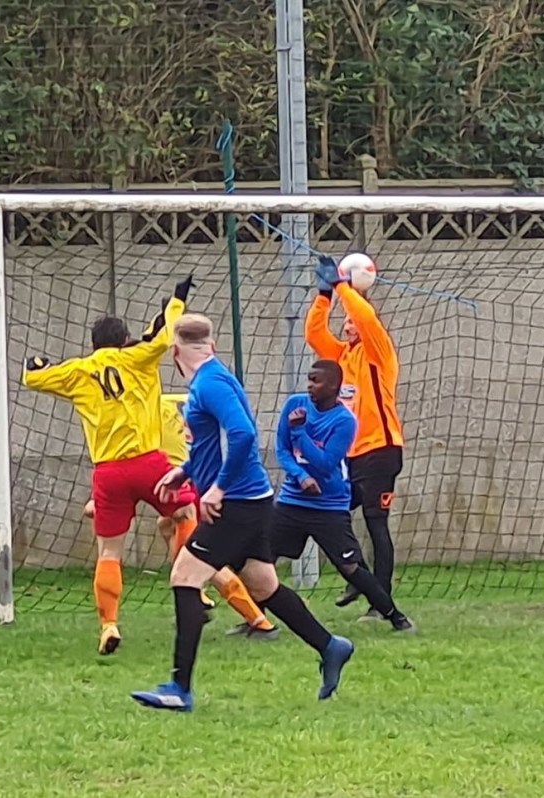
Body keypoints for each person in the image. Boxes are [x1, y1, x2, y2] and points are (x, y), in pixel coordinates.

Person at [131, 314, 354, 712]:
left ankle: (179, 688)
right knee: (264, 585)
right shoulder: (218, 376)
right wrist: (185, 470)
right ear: (211, 346)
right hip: (251, 499)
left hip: (235, 504)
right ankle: (330, 645)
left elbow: (244, 434)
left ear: (175, 352)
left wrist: (216, 488)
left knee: (184, 577)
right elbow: (223, 437)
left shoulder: (209, 384)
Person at [22, 276, 199, 656]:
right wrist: (177, 300)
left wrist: (36, 363)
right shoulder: (137, 357)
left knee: (108, 551)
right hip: (149, 463)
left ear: (92, 345)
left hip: (107, 472)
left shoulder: (78, 370)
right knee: (186, 512)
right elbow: (165, 336)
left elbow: (33, 377)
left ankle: (109, 625)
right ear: (123, 342)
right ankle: (192, 588)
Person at [81, 391, 278, 640]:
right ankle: (207, 596)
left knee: (201, 556)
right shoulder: (183, 399)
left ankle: (250, 617)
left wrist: (100, 502)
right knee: (167, 526)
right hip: (195, 480)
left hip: (185, 482)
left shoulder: (131, 423)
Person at [305, 255, 412, 628]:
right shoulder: (343, 355)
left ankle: (378, 602)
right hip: (352, 457)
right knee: (327, 512)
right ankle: (360, 579)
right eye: (345, 321)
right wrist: (323, 295)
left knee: (375, 523)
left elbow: (366, 318)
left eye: (352, 319)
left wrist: (343, 287)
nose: (349, 323)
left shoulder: (378, 351)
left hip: (382, 451)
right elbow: (314, 335)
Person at [272, 359, 414, 630]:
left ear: (335, 386)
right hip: (292, 502)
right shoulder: (295, 404)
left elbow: (325, 464)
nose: (310, 386)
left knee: (350, 568)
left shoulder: (345, 421)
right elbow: (282, 449)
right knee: (261, 562)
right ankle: (256, 621)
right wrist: (300, 477)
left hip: (329, 506)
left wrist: (300, 432)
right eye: (309, 379)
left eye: (317, 381)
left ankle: (395, 616)